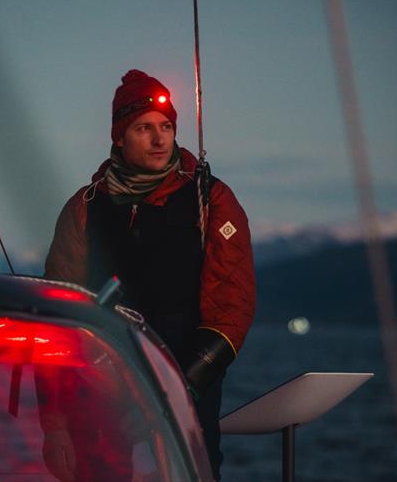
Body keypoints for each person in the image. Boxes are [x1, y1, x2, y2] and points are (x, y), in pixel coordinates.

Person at [44, 69, 256, 480]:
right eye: (144, 128)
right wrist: (55, 428)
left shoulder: (210, 199)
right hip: (102, 387)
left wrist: (179, 388)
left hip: (188, 385)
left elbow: (233, 305)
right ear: (119, 136)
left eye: (167, 127)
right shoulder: (84, 209)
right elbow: (58, 323)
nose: (161, 139)